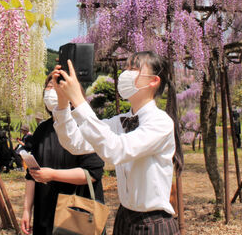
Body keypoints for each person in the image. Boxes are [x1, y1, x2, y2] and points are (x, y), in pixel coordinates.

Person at [52, 51, 180, 235]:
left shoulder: (161, 122)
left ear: (154, 81)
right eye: (126, 68)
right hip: (124, 217)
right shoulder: (121, 120)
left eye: (134, 68)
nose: (126, 73)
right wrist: (64, 103)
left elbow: (116, 151)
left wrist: (79, 101)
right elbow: (74, 142)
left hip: (153, 223)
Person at [21, 75, 105, 235]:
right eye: (48, 87)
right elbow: (31, 174)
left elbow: (93, 173)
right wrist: (27, 210)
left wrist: (52, 175)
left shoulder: (84, 125)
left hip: (76, 212)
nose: (51, 91)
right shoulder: (42, 129)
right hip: (44, 210)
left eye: (57, 87)